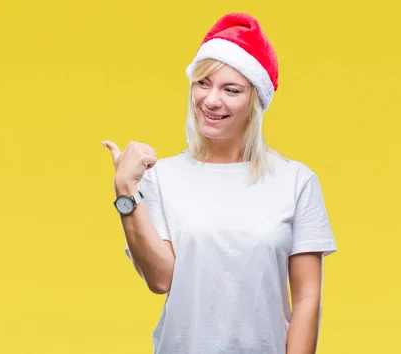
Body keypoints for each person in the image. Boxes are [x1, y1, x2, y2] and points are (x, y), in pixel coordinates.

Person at [101, 12, 337, 354]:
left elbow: (307, 299)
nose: (211, 100)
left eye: (231, 90)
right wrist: (125, 189)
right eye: (203, 83)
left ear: (255, 101)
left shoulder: (296, 181)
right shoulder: (161, 177)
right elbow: (161, 279)